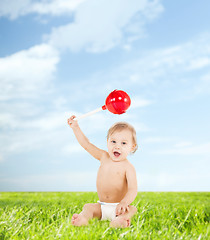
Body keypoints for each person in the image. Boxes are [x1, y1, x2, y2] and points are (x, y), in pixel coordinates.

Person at [67, 115, 138, 228]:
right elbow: (86, 145)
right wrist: (75, 127)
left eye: (123, 143)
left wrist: (124, 202)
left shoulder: (128, 167)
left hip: (119, 207)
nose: (117, 146)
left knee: (132, 209)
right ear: (107, 142)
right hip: (101, 206)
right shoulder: (103, 157)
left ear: (132, 147)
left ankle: (120, 220)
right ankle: (83, 218)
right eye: (113, 141)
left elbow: (133, 189)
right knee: (88, 207)